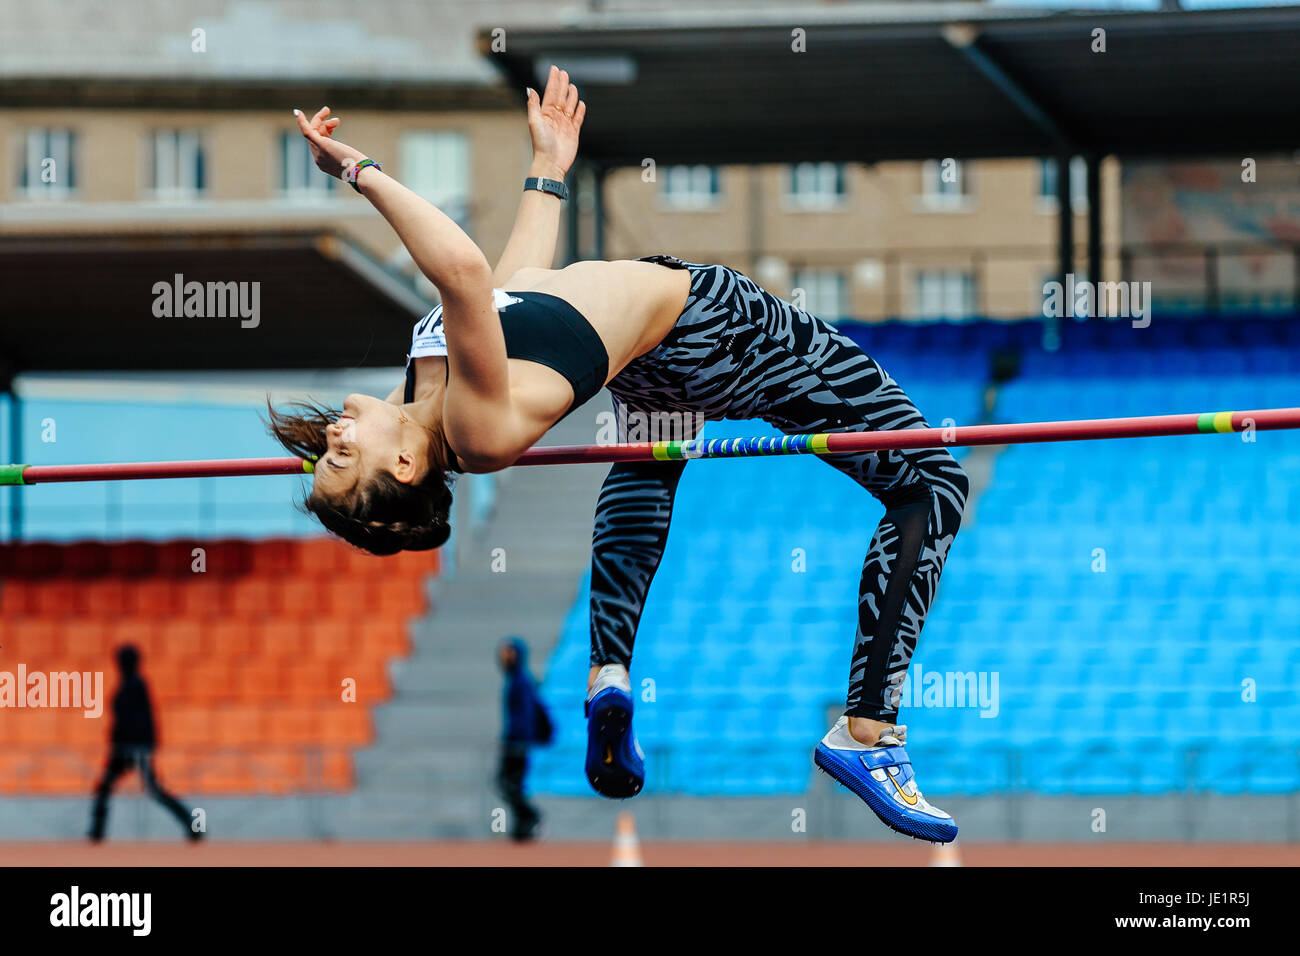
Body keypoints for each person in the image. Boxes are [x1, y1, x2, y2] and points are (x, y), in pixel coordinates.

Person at [270, 65, 968, 843]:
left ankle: (610, 672)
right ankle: (868, 732)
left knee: (650, 455)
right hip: (716, 328)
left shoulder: (433, 385)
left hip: (652, 364)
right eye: (341, 460)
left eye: (322, 455)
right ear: (402, 469)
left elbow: (512, 284)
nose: (330, 437)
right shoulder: (473, 430)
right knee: (932, 481)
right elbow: (462, 274)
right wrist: (358, 172)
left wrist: (548, 172)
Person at [88, 645, 201, 843]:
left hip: (132, 749)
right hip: (126, 748)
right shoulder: (129, 684)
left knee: (151, 790)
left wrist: (142, 746)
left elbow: (141, 721)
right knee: (109, 788)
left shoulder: (135, 686)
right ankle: (97, 831)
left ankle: (193, 825)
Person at [496, 637, 550, 842]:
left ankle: (531, 819)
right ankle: (523, 825)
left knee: (509, 784)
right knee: (508, 785)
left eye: (509, 653)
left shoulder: (521, 681)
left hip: (517, 744)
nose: (505, 657)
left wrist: (519, 742)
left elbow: (525, 716)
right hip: (515, 742)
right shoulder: (516, 680)